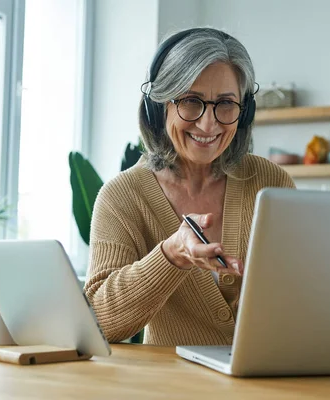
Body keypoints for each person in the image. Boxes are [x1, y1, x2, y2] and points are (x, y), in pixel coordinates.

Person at [84, 27, 295, 346]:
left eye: (226, 104)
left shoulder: (272, 183)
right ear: (159, 106)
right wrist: (171, 256)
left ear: (244, 111)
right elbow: (97, 321)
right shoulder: (122, 197)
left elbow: (306, 291)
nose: (208, 124)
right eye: (191, 102)